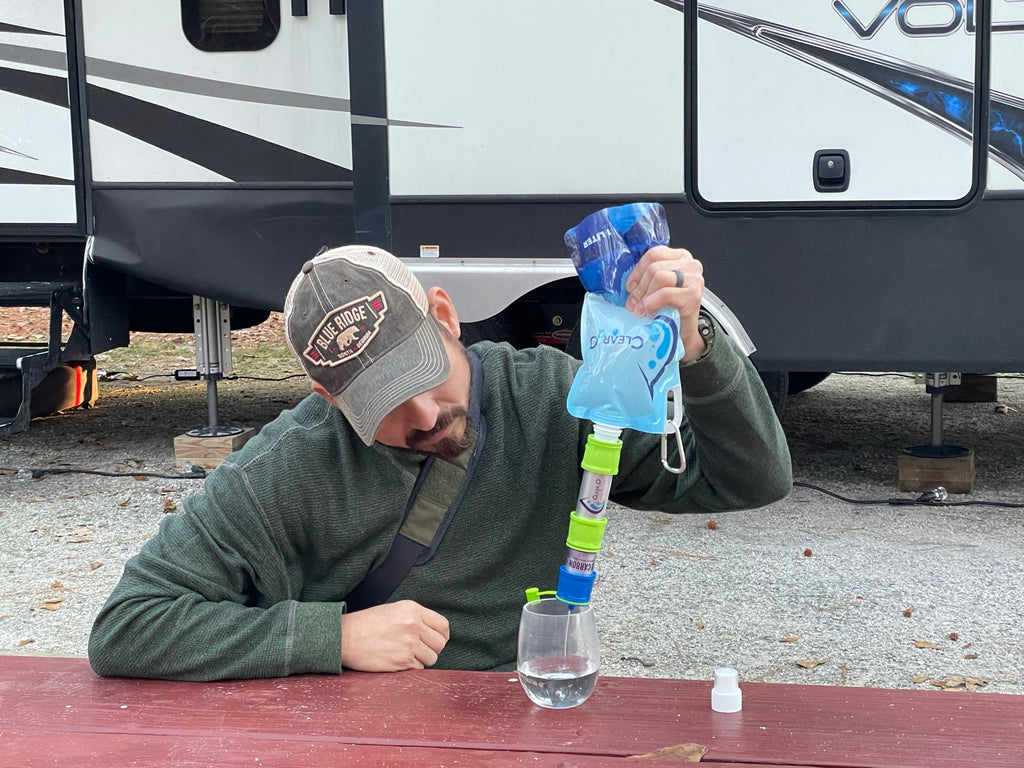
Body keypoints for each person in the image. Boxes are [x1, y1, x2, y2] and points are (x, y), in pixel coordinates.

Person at [88, 243, 792, 680]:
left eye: (424, 375)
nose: (422, 417)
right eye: (382, 402)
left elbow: (751, 478)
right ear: (326, 397)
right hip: (348, 732)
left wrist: (695, 345)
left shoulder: (550, 396)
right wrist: (330, 636)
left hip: (516, 713)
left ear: (447, 317)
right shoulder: (286, 467)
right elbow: (128, 626)